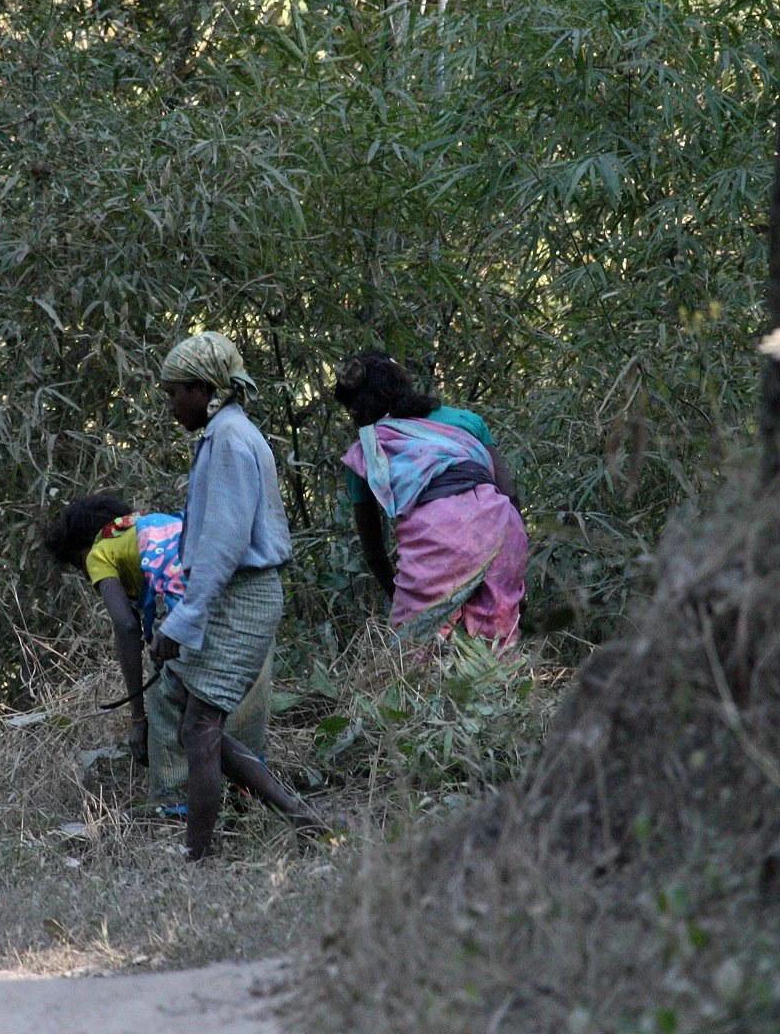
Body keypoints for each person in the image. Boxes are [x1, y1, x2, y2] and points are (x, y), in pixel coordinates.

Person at [153, 330, 327, 861]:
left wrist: (183, 621)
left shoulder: (229, 441)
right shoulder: (227, 434)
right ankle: (302, 819)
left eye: (176, 391)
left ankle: (199, 856)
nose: (172, 403)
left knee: (200, 729)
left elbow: (223, 545)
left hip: (242, 595)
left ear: (205, 389)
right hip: (238, 594)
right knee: (192, 713)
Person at [42, 492, 272, 812]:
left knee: (168, 705)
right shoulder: (156, 525)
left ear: (82, 549)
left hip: (197, 610)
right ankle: (249, 797)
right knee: (242, 701)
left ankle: (176, 804)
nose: (87, 575)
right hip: (251, 594)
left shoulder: (98, 552)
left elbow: (125, 627)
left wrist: (138, 717)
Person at [333, 350, 527, 648]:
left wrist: (403, 602)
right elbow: (509, 494)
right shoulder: (467, 421)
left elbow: (373, 552)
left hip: (436, 544)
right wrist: (515, 572)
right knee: (497, 654)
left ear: (357, 407)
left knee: (416, 657)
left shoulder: (368, 454)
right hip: (503, 528)